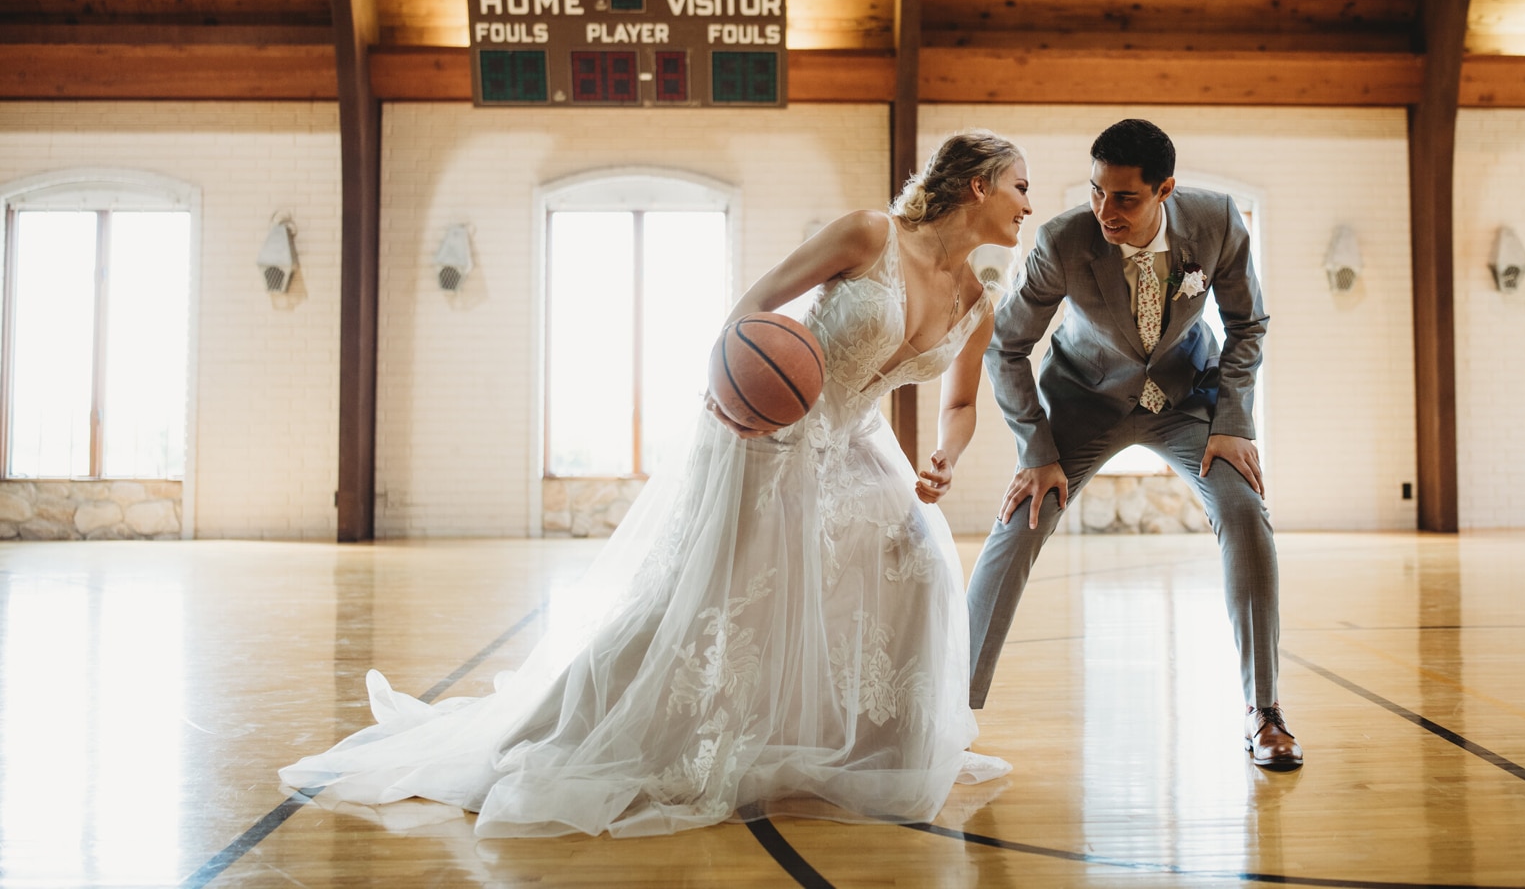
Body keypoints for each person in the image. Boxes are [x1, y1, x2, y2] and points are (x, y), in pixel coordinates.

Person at [279, 130, 1030, 836]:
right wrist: (726, 391)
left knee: (920, 562)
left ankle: (882, 751)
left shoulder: (978, 303)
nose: (1027, 205)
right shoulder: (869, 234)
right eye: (1020, 187)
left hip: (855, 438)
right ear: (978, 185)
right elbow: (756, 302)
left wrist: (946, 454)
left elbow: (960, 405)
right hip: (765, 429)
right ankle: (567, 729)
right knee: (708, 597)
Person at [966, 118, 1302, 770]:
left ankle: (1264, 712)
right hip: (1084, 401)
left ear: (1164, 190)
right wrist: (1037, 451)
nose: (1105, 210)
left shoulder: (1217, 222)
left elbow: (1248, 325)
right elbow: (1005, 346)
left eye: (1124, 197)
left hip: (1187, 399)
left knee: (1245, 510)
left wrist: (1233, 422)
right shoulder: (1063, 240)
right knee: (1022, 517)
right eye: (1097, 191)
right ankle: (952, 707)